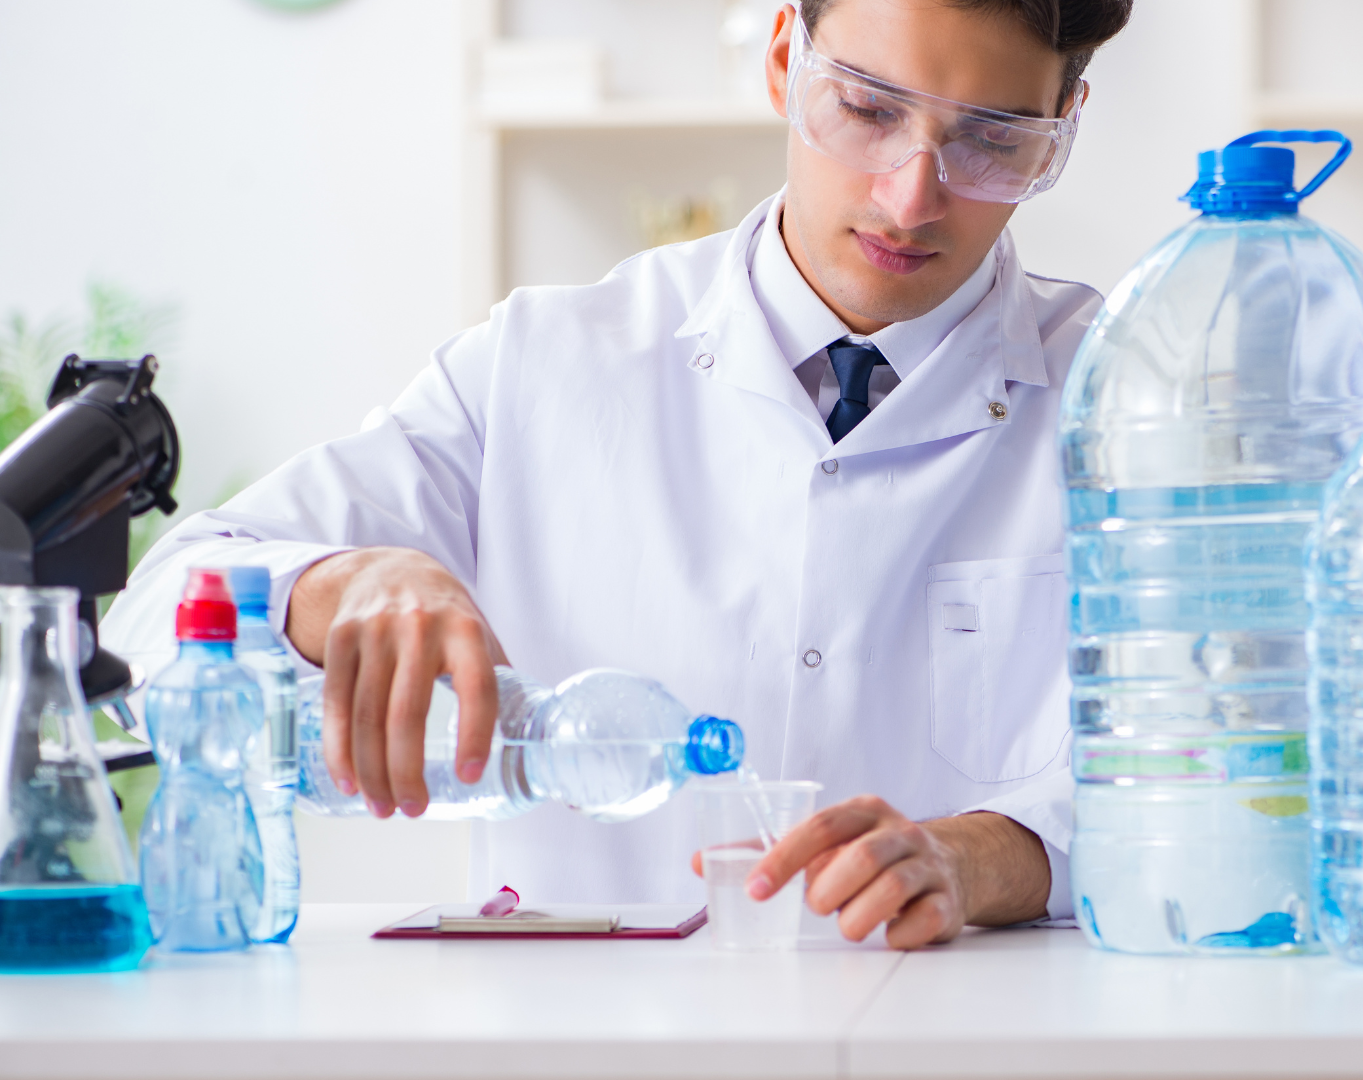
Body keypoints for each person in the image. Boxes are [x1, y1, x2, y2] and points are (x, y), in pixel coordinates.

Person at [102, 0, 1132, 950]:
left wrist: (992, 853)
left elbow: (1253, 761)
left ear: (1067, 130)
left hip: (974, 1040)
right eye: (866, 108)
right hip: (587, 1043)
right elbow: (150, 619)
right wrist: (339, 585)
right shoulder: (543, 363)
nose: (912, 195)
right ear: (784, 60)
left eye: (993, 140)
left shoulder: (1133, 398)